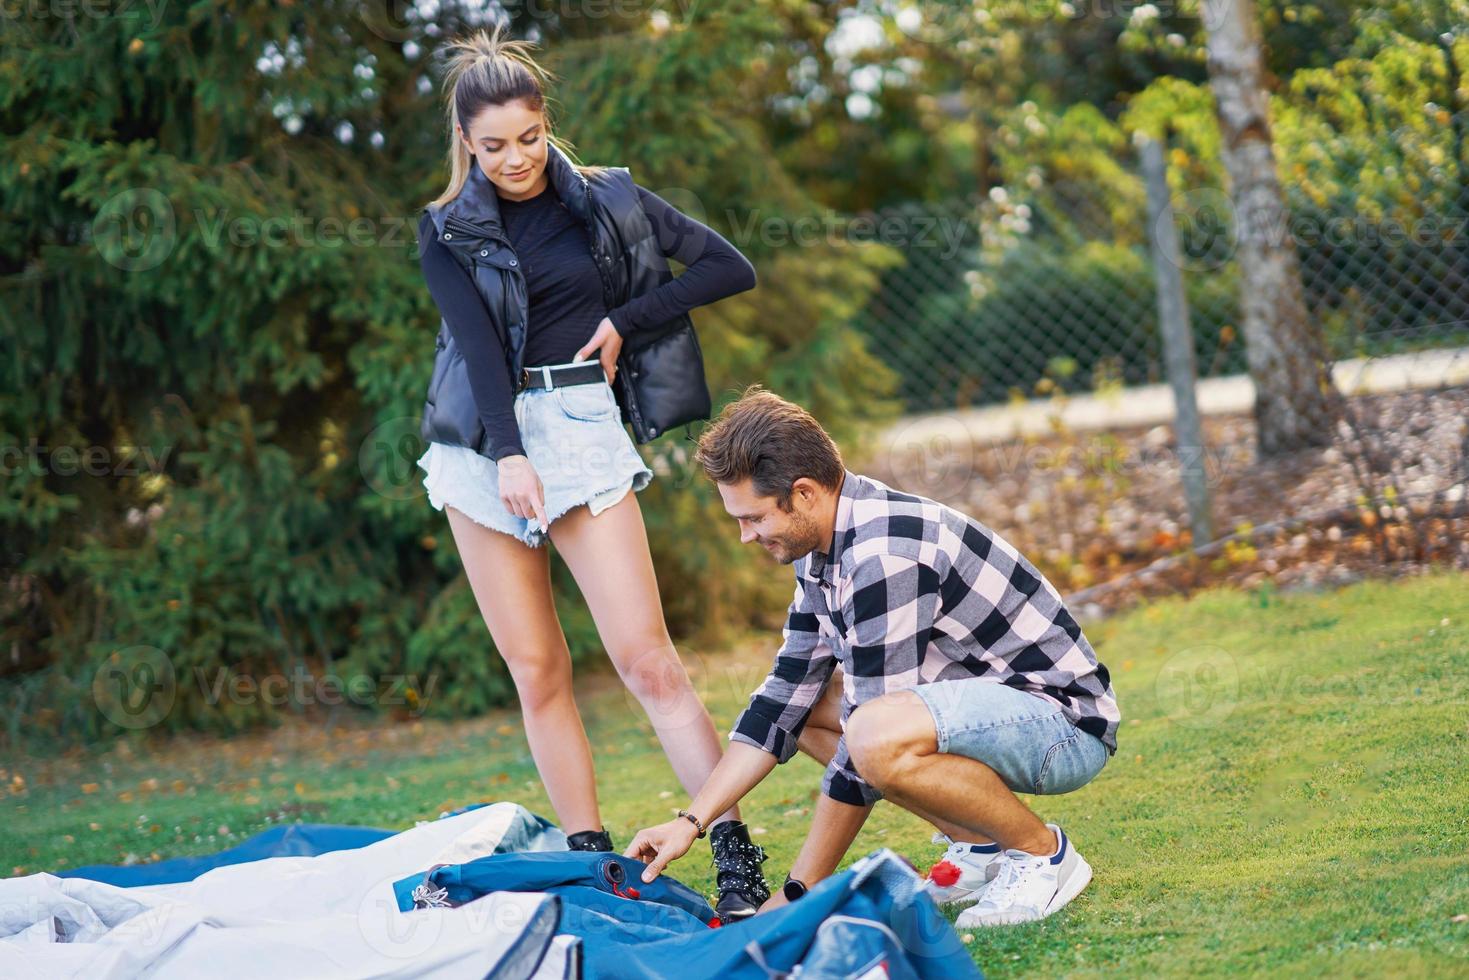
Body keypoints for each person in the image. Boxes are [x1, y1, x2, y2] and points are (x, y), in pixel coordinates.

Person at [413, 27, 771, 919]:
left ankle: (728, 847)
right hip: (482, 450)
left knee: (647, 661)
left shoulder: (607, 198)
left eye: (527, 137)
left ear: (545, 122)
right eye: (492, 146)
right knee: (537, 670)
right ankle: (591, 863)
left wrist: (625, 322)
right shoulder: (444, 229)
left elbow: (728, 265)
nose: (514, 159)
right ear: (466, 141)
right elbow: (476, 351)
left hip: (580, 427)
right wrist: (507, 455)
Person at [624, 389, 1121, 927]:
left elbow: (868, 746)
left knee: (873, 736)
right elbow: (780, 702)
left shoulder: (882, 555)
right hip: (990, 710)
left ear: (805, 493)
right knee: (815, 708)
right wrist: (691, 822)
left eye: (753, 518)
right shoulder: (822, 548)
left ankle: (1043, 855)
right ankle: (983, 849)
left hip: (1061, 727)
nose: (746, 536)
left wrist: (795, 895)